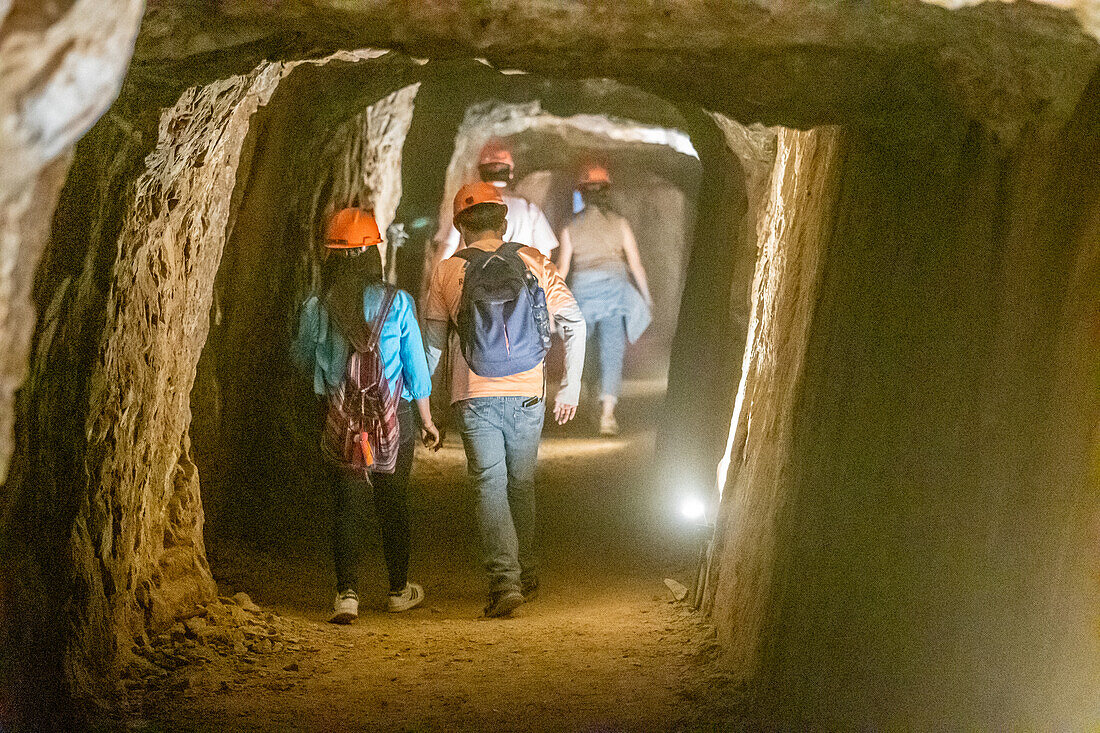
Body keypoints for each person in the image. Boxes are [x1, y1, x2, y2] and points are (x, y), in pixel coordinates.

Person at [423, 182, 586, 618]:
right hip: (529, 392)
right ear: (505, 220)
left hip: (474, 395)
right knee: (522, 483)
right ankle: (527, 570)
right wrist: (569, 385)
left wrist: (427, 406)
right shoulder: (533, 261)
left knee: (489, 486)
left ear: (459, 225)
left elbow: (434, 349)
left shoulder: (446, 271)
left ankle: (505, 581)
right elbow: (574, 322)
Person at [293, 207, 442, 625]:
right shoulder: (398, 302)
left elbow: (303, 359)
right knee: (393, 502)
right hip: (394, 419)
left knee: (347, 502)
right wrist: (427, 421)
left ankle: (347, 595)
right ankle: (398, 590)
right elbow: (416, 370)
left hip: (341, 419)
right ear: (374, 252)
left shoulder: (317, 305)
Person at [557, 164, 653, 436]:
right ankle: (607, 415)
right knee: (612, 350)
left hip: (583, 294)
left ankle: (585, 400)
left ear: (583, 194)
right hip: (614, 292)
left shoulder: (570, 226)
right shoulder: (620, 224)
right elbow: (636, 266)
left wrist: (549, 300)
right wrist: (646, 298)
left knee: (580, 351)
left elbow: (562, 269)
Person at [434, 140, 559, 262]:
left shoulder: (465, 204)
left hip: (474, 280)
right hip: (516, 281)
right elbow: (543, 255)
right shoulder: (529, 208)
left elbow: (446, 250)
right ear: (510, 172)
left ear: (481, 171)